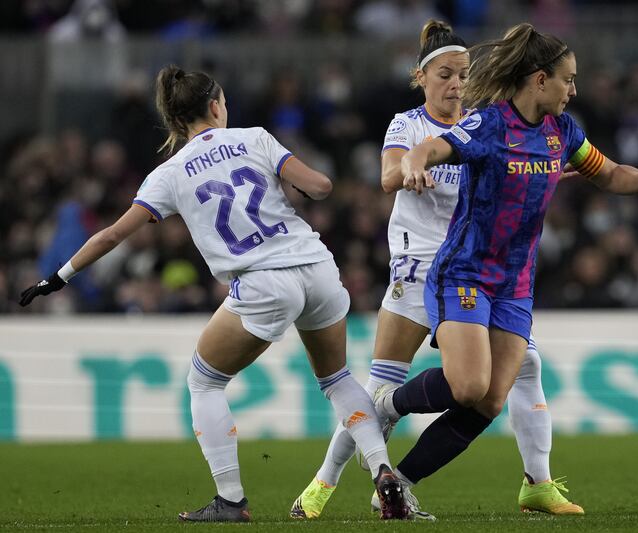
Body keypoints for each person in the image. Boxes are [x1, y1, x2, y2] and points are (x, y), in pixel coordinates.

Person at [18, 65, 409, 522]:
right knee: (338, 379)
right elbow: (321, 186)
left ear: (176, 119)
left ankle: (231, 500)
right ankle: (382, 470)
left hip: (263, 282)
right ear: (215, 106)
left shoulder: (167, 174)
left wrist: (58, 276)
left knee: (204, 382)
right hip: (317, 267)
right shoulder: (256, 138)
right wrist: (297, 187)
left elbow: (111, 236)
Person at [372, 21, 638, 514]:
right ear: (539, 80)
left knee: (491, 402)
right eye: (568, 79)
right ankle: (387, 406)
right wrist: (414, 159)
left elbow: (608, 174)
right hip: (465, 272)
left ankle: (397, 484)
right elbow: (435, 146)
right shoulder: (489, 125)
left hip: (515, 284)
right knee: (468, 386)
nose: (573, 89)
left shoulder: (563, 131)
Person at [290, 20, 583, 521]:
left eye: (464, 74)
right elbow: (388, 173)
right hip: (420, 267)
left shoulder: (486, 124)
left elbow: (518, 168)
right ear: (421, 78)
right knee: (381, 385)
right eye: (445, 74)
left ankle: (537, 482)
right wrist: (409, 170)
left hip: (475, 270)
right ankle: (323, 483)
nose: (456, 84)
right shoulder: (410, 126)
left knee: (523, 367)